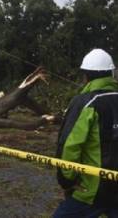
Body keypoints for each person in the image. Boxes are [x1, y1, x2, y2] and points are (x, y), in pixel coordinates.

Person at [53, 48, 118, 217]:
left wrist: (67, 181)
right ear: (112, 73)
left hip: (91, 191)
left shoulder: (85, 103)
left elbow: (69, 145)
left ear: (85, 76)